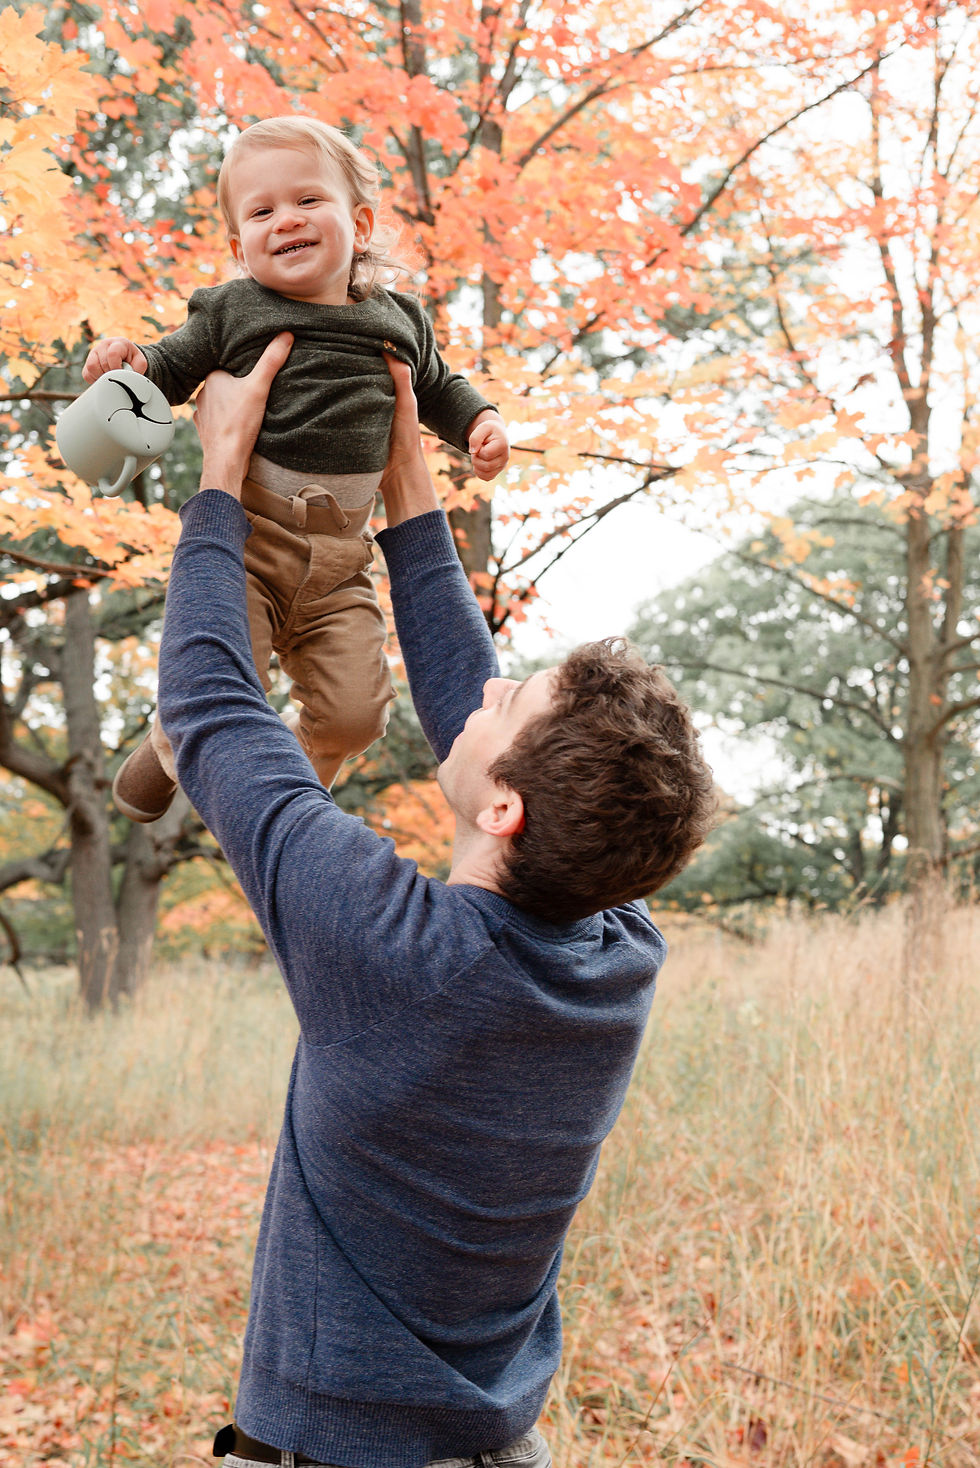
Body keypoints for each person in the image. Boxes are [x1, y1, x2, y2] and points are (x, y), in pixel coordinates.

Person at [161, 334, 716, 1468]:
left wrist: (219, 478)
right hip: (492, 1442)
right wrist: (405, 483)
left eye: (517, 703)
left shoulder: (394, 954)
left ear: (505, 809)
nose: (495, 685)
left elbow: (213, 713)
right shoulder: (613, 949)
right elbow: (476, 706)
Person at [84, 115, 508, 823]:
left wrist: (480, 423)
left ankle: (288, 805)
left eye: (308, 200)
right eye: (262, 210)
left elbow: (439, 386)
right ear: (239, 246)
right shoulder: (231, 310)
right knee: (222, 679)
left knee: (358, 713)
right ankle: (165, 747)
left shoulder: (400, 319)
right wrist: (130, 364)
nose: (287, 220)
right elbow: (169, 368)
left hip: (343, 559)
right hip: (249, 542)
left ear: (360, 222)